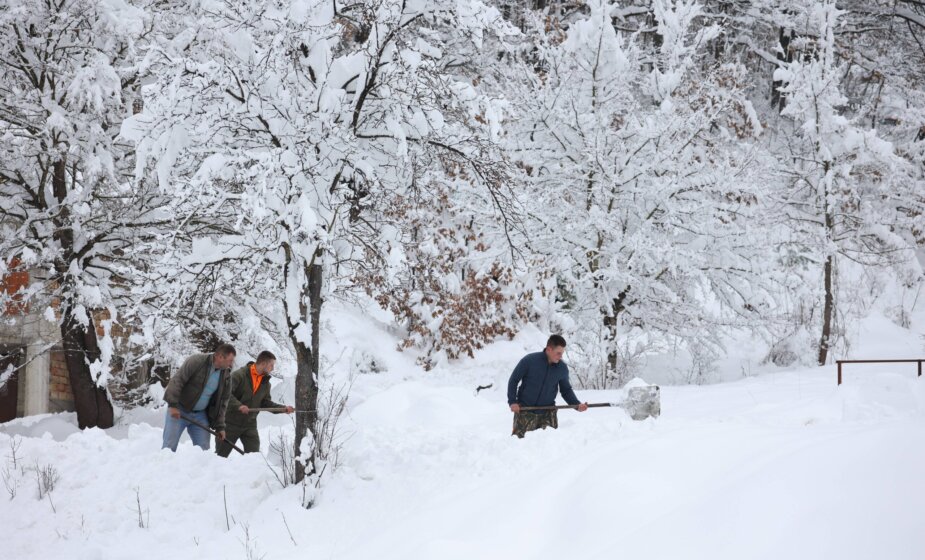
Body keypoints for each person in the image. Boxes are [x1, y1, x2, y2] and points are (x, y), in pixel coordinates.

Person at [216, 350, 294, 457]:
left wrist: (283, 409)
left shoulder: (265, 383)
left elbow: (265, 403)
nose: (273, 369)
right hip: (230, 424)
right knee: (220, 457)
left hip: (250, 425)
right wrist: (239, 406)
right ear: (263, 363)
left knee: (254, 458)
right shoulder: (239, 375)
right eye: (271, 365)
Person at [507, 335, 587, 438]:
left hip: (548, 414)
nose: (561, 356)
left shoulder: (561, 368)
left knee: (549, 448)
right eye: (558, 353)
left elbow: (566, 390)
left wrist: (577, 405)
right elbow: (514, 380)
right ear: (549, 349)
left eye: (562, 353)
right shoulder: (529, 361)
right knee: (520, 446)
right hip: (525, 412)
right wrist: (513, 402)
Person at [162, 344, 236, 451]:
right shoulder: (197, 361)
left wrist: (220, 427)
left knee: (204, 451)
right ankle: (164, 466)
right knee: (169, 446)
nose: (231, 364)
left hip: (201, 415)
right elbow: (178, 380)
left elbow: (222, 403)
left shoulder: (226, 377)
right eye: (230, 360)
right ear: (220, 357)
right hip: (179, 410)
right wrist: (173, 405)